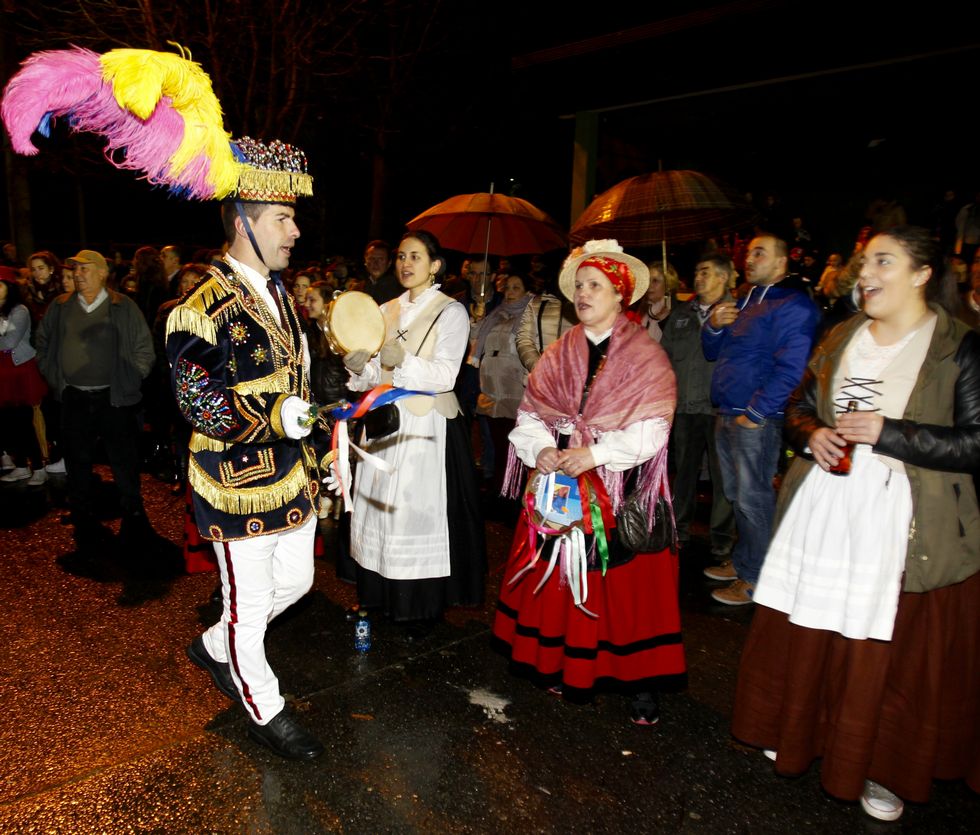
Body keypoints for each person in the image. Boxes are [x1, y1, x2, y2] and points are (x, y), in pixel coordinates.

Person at [731, 226, 980, 822]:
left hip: (906, 516)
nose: (864, 274)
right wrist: (811, 434)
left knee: (885, 651)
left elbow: (975, 442)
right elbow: (798, 407)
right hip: (828, 501)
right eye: (864, 263)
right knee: (811, 628)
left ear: (922, 274)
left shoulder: (958, 346)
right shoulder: (842, 335)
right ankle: (802, 735)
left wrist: (893, 433)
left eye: (883, 262)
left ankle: (883, 766)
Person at [166, 138, 323, 761]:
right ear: (242, 223)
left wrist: (317, 444)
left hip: (291, 474)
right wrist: (275, 416)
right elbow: (199, 405)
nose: (295, 229)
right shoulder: (198, 308)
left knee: (302, 582)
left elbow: (298, 387)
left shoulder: (280, 293)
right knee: (249, 604)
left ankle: (215, 643)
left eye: (293, 216)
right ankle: (265, 705)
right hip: (232, 480)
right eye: (281, 218)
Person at [492, 239, 686, 725]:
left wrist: (594, 453)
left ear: (621, 294)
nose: (583, 293)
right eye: (578, 286)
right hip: (562, 485)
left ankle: (640, 683)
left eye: (594, 285)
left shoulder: (645, 357)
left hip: (618, 487)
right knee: (561, 578)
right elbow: (531, 414)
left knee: (624, 588)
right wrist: (543, 451)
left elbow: (653, 430)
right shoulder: (559, 352)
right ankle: (563, 661)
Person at [340, 230, 486, 636]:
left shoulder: (450, 312)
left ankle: (418, 608)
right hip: (385, 424)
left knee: (411, 511)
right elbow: (374, 375)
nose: (406, 263)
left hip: (426, 429)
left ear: (435, 265)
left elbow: (445, 375)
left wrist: (404, 360)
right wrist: (358, 367)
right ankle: (377, 597)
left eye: (416, 257)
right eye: (402, 256)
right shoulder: (384, 309)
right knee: (380, 507)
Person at [700, 234, 821, 605]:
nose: (749, 258)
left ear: (782, 263)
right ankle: (743, 563)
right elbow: (710, 353)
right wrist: (715, 325)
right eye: (748, 252)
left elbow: (792, 368)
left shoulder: (794, 306)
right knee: (738, 496)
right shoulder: (741, 301)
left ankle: (759, 579)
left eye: (759, 252)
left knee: (754, 499)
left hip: (756, 419)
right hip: (728, 412)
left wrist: (756, 413)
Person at [36, 249, 158, 579]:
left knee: (123, 457)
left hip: (114, 397)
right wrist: (54, 376)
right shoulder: (60, 307)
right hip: (74, 396)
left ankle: (133, 512)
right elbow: (43, 343)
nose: (77, 274)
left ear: (102, 273)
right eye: (74, 269)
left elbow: (144, 347)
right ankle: (82, 513)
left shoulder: (123, 306)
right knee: (77, 457)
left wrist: (134, 373)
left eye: (85, 269)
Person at [660, 252, 736, 557]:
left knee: (723, 478)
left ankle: (721, 539)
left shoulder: (738, 312)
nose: (698, 277)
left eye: (705, 271)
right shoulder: (681, 314)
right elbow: (663, 357)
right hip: (687, 406)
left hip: (721, 408)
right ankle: (680, 528)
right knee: (684, 473)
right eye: (697, 271)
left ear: (723, 276)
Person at [474, 274, 533, 494]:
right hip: (491, 390)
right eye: (507, 287)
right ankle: (500, 491)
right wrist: (478, 322)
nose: (510, 292)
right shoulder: (496, 315)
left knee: (516, 449)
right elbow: (476, 345)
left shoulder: (530, 316)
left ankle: (516, 496)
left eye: (516, 287)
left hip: (515, 391)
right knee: (498, 447)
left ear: (527, 292)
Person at [0, 278, 48, 485]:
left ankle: (38, 466)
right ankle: (20, 465)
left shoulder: (19, 310)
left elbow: (10, 342)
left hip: (17, 369)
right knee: (8, 421)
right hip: (3, 370)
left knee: (22, 420)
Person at [638, 260, 677, 341]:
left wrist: (664, 321)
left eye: (655, 281)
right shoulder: (643, 310)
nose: (649, 285)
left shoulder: (677, 313)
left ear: (668, 285)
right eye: (648, 280)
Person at [362, 239, 401, 305]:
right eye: (371, 258)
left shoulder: (397, 289)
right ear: (365, 261)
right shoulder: (360, 287)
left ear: (389, 263)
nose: (375, 263)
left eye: (380, 259)